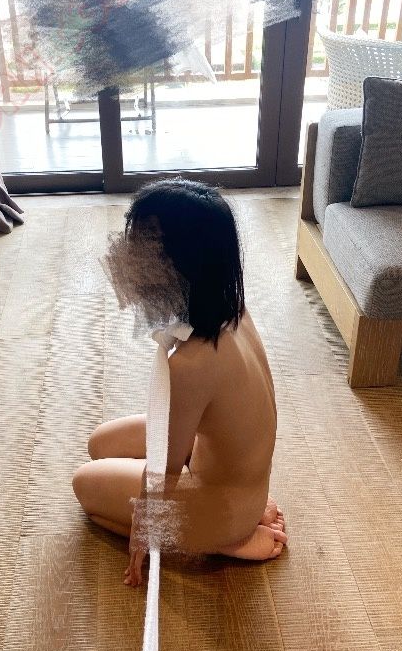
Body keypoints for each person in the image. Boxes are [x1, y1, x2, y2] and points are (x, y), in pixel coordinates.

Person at [72, 179, 286, 586]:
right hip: (233, 479)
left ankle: (226, 541)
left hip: (224, 508)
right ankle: (232, 520)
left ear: (176, 266)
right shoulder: (232, 310)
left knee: (84, 485)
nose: (127, 259)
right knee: (100, 443)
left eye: (141, 250)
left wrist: (145, 533)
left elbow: (163, 472)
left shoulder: (191, 364)